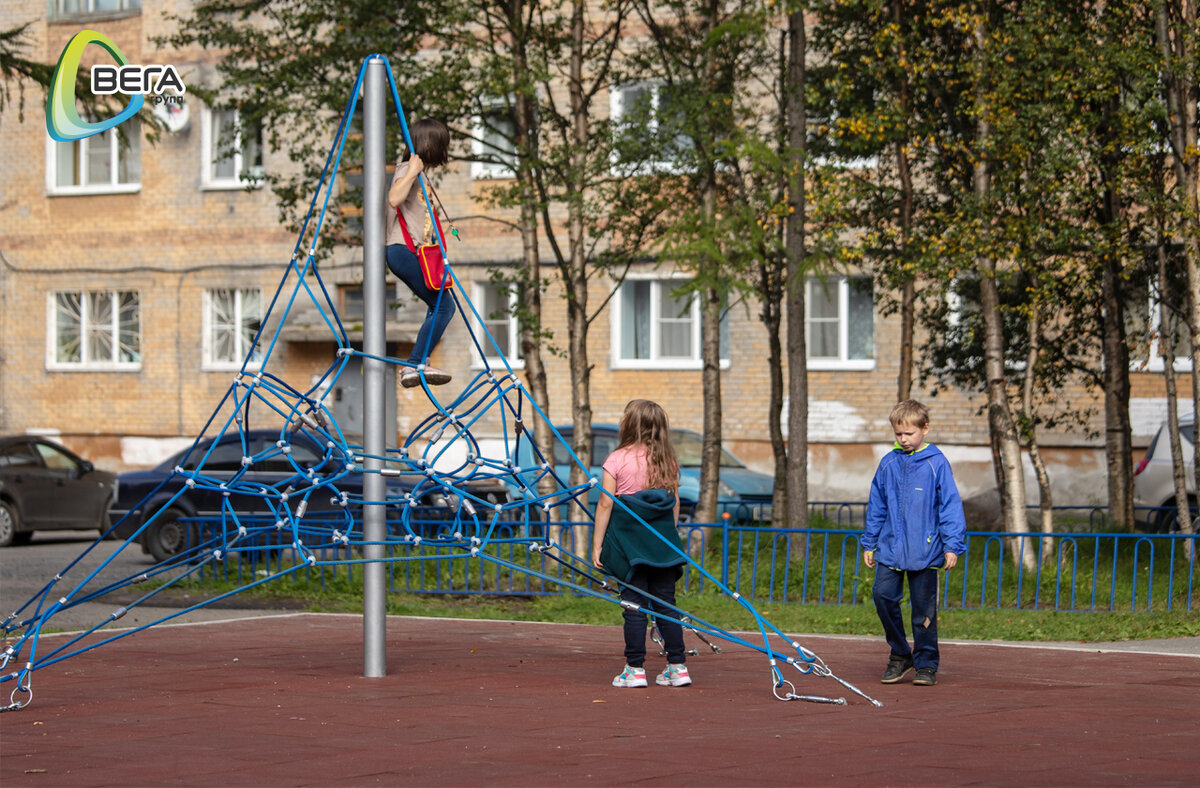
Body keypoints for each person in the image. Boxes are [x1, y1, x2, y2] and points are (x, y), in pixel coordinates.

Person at [862, 399, 966, 687]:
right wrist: (869, 542)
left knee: (924, 612)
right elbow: (877, 505)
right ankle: (900, 654)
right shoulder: (888, 463)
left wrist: (952, 545)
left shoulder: (936, 463)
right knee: (882, 596)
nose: (903, 439)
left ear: (924, 429)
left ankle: (926, 663)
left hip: (926, 550)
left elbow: (949, 506)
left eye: (909, 434)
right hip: (890, 548)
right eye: (898, 434)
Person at [591, 399, 691, 689]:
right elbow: (674, 504)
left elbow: (606, 503)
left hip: (630, 548)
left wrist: (597, 545)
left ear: (629, 424)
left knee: (633, 605)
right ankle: (677, 666)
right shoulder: (666, 461)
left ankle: (634, 669)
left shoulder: (617, 459)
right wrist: (667, 540)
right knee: (666, 605)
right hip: (661, 547)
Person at [386, 117, 455, 389]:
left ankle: (419, 362)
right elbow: (394, 199)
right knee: (445, 306)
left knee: (438, 306)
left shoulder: (421, 174)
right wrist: (412, 171)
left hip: (414, 253)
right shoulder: (408, 168)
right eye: (442, 145)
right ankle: (415, 364)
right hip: (402, 252)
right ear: (430, 144)